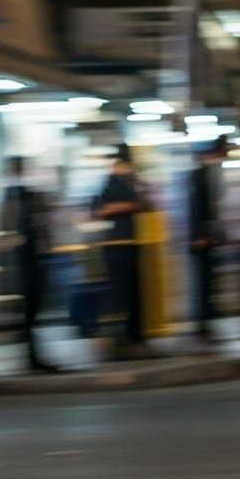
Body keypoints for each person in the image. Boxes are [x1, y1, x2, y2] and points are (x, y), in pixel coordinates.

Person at [1, 156, 58, 372]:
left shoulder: (27, 195)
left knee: (35, 307)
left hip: (32, 258)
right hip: (23, 262)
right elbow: (10, 231)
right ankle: (31, 355)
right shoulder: (13, 197)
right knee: (30, 308)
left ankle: (33, 353)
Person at [93, 144, 148, 356]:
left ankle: (134, 335)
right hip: (116, 246)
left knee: (133, 292)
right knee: (120, 293)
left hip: (131, 243)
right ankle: (120, 338)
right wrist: (132, 204)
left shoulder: (130, 182)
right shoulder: (112, 182)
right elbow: (101, 210)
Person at [188, 136, 228, 341]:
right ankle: (201, 326)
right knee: (202, 283)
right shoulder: (200, 175)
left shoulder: (211, 174)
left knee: (208, 282)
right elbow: (196, 208)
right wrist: (199, 235)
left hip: (208, 238)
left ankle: (207, 324)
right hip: (200, 239)